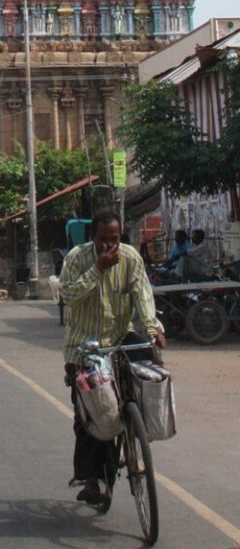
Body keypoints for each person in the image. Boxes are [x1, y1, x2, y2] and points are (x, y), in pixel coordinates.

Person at [59, 210, 165, 506]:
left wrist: (153, 328)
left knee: (151, 367)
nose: (110, 246)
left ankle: (139, 427)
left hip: (119, 340)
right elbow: (68, 296)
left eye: (114, 240)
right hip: (84, 348)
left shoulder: (130, 258)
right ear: (93, 237)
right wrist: (98, 269)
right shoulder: (77, 259)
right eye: (104, 240)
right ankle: (92, 479)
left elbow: (142, 294)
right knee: (91, 416)